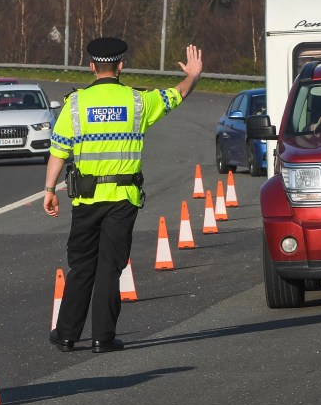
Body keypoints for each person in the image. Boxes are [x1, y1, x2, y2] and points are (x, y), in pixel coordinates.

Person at [43, 37, 203, 353]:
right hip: (123, 198)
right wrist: (193, 74)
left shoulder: (75, 104)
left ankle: (66, 335)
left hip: (86, 200)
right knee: (109, 268)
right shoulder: (138, 102)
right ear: (121, 66)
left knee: (81, 267)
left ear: (91, 66)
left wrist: (49, 190)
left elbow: (59, 152)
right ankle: (103, 338)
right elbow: (177, 95)